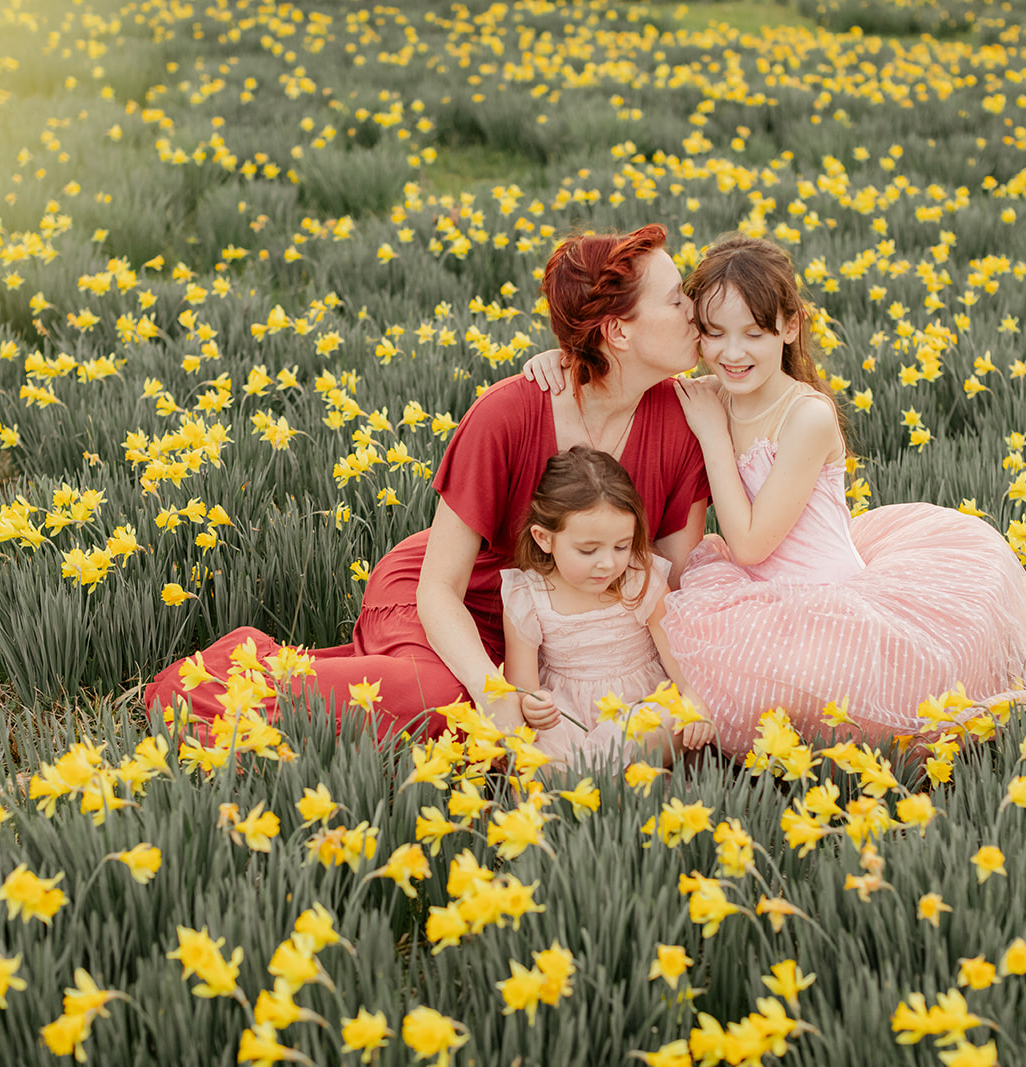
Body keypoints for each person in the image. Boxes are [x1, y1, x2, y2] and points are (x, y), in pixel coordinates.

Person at [144, 224, 709, 740]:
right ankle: (221, 682)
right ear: (617, 331)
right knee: (445, 704)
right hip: (453, 601)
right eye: (676, 298)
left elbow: (672, 587)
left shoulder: (686, 421)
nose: (694, 309)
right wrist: (494, 692)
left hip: (560, 629)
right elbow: (439, 587)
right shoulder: (509, 414)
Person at [525, 235, 1026, 756]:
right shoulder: (711, 393)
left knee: (841, 716)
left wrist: (712, 436)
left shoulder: (807, 416)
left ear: (789, 326)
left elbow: (750, 545)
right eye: (713, 333)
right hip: (755, 599)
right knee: (699, 681)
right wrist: (564, 356)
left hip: (829, 602)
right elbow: (620, 366)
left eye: (753, 334)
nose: (732, 353)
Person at [501, 446, 717, 770]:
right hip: (566, 714)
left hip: (639, 704)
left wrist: (692, 697)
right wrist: (534, 705)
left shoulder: (640, 579)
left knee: (671, 724)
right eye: (588, 550)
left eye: (621, 546)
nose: (607, 563)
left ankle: (598, 780)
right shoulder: (528, 595)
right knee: (534, 754)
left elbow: (677, 656)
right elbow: (522, 686)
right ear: (544, 538)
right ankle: (609, 779)